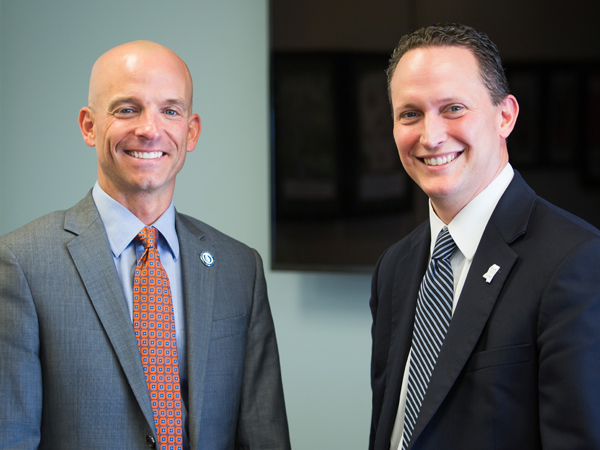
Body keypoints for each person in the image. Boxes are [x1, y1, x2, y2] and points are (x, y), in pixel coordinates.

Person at [0, 40, 291, 450]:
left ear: (190, 132)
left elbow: (264, 437)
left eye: (170, 110)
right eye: (126, 109)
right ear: (89, 125)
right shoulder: (23, 264)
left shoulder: (239, 268)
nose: (150, 129)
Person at [369, 23, 600, 450]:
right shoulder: (394, 268)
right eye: (410, 113)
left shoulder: (575, 262)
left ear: (505, 116)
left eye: (453, 108)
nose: (430, 136)